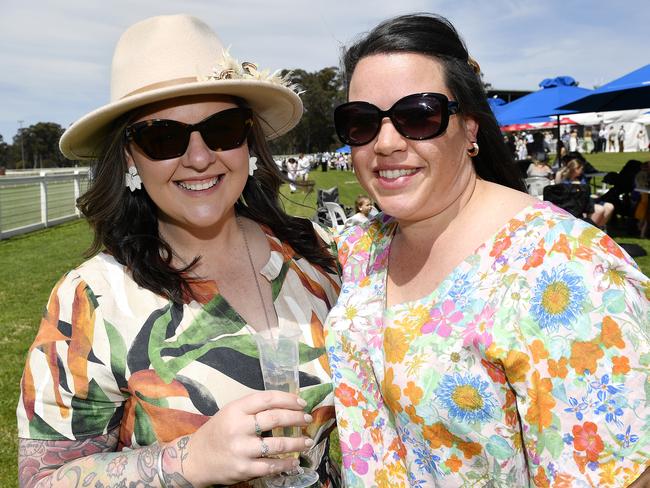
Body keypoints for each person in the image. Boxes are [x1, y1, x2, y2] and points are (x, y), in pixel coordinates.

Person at [326, 13, 650, 487]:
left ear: (470, 128)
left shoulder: (564, 269)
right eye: (361, 122)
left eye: (418, 115)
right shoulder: (365, 245)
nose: (386, 142)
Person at [17, 15, 341, 488]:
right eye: (163, 137)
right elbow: (42, 479)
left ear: (247, 140)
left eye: (223, 128)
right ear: (130, 157)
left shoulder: (315, 255)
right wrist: (188, 460)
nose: (198, 156)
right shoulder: (90, 300)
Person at [554, 158, 615, 228]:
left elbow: (586, 191)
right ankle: (591, 229)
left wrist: (592, 195)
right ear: (575, 169)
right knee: (600, 209)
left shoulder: (582, 178)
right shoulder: (566, 180)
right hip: (576, 203)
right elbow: (562, 191)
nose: (582, 171)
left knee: (609, 207)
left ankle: (599, 228)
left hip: (587, 200)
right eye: (581, 169)